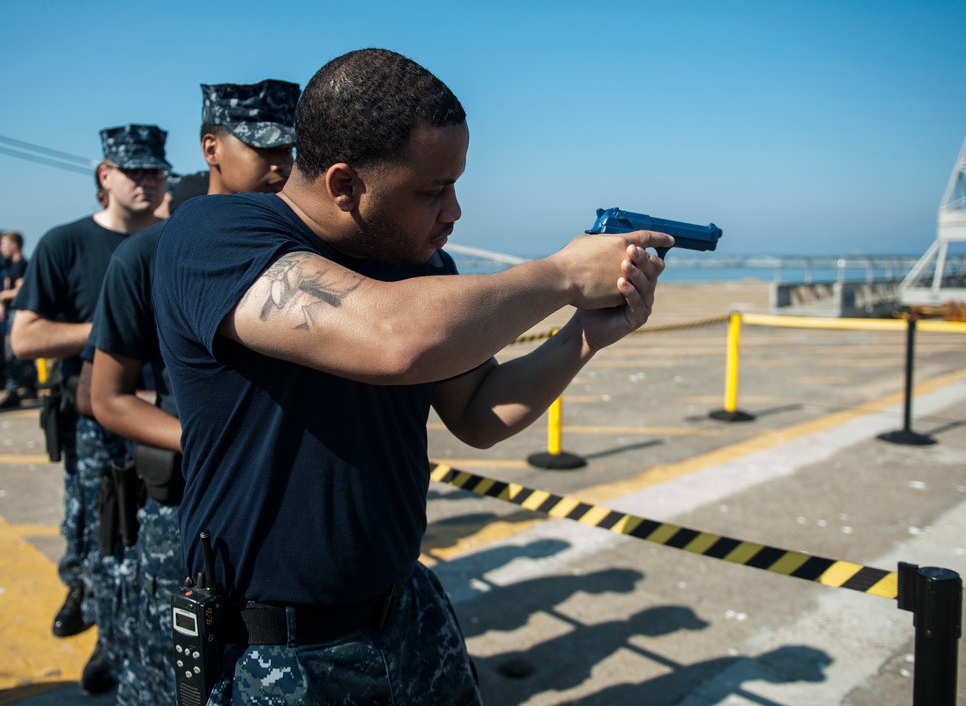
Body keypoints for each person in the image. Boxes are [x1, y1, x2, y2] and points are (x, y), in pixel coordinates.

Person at [152, 48, 671, 704]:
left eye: (455, 183)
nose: (453, 211)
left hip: (409, 616)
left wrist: (586, 334)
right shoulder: (217, 233)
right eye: (431, 189)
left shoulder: (419, 265)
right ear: (344, 184)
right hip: (275, 649)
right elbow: (395, 339)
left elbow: (480, 411)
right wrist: (563, 273)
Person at [88, 78, 299, 706]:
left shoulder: (301, 257)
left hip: (274, 511)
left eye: (291, 149)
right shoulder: (144, 258)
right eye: (263, 148)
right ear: (211, 147)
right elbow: (107, 397)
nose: (281, 164)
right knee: (171, 678)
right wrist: (206, 440)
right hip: (185, 508)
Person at [11, 124, 171, 695]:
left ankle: (136, 639)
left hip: (165, 415)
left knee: (158, 544)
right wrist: (110, 333)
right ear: (105, 176)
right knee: (101, 534)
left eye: (157, 171)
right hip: (97, 418)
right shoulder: (64, 244)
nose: (149, 181)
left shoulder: (174, 239)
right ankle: (108, 636)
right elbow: (24, 340)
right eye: (136, 171)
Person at [0, 231, 36, 408]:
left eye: (4, 244)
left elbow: (20, 290)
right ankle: (25, 386)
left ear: (14, 245)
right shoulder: (13, 266)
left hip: (17, 314)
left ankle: (17, 388)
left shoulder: (20, 265)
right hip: (13, 313)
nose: (2, 248)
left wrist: (2, 295)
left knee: (13, 352)